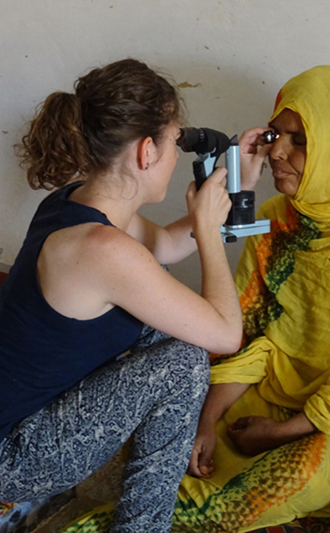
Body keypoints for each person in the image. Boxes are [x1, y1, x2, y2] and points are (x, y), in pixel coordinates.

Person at [0, 58, 243, 533]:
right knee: (185, 360)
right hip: (11, 455)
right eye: (175, 142)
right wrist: (211, 233)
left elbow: (169, 245)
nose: (177, 156)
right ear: (146, 152)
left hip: (18, 411)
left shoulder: (77, 202)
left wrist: (239, 180)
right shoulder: (104, 250)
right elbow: (226, 334)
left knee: (165, 321)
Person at [172, 65, 330, 532]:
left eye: (299, 140)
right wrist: (207, 421)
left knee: (261, 491)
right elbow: (247, 335)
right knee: (168, 432)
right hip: (269, 389)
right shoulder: (279, 218)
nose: (277, 152)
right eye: (275, 135)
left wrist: (279, 433)